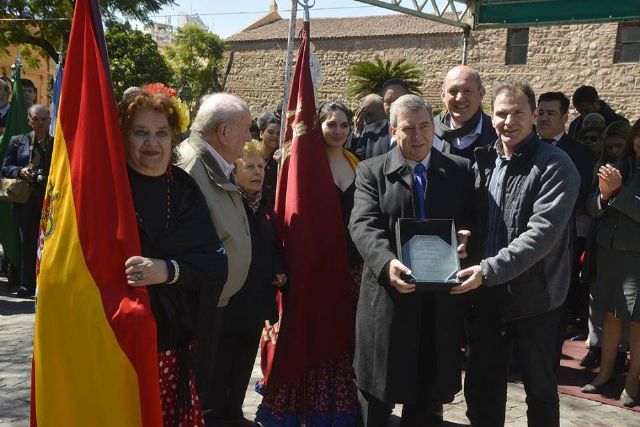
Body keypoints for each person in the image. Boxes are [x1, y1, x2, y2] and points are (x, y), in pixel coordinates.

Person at [456, 81, 580, 427]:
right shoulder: (484, 160)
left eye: (517, 113)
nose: (508, 121)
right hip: (488, 295)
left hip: (536, 299)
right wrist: (465, 234)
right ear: (490, 116)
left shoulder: (556, 166)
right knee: (482, 386)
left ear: (534, 115)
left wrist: (488, 269)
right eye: (501, 114)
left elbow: (540, 236)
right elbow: (476, 216)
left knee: (539, 392)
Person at [349, 94, 474, 427]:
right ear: (392, 131)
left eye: (424, 126)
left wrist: (465, 237)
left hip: (437, 305)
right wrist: (387, 262)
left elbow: (470, 219)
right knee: (376, 396)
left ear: (434, 127)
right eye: (408, 128)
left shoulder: (459, 170)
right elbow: (362, 224)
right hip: (389, 301)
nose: (418, 136)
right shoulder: (371, 171)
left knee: (426, 396)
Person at [117, 85, 228, 426]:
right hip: (114, 347)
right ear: (123, 136)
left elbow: (215, 263)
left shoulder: (183, 189)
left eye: (162, 133)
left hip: (171, 348)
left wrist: (167, 271)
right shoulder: (109, 186)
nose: (153, 143)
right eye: (141, 132)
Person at [256, 100, 361, 426]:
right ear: (319, 126)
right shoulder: (305, 164)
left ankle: (335, 408)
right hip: (315, 269)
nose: (339, 131)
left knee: (341, 339)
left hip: (351, 269)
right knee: (311, 333)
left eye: (344, 125)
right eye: (332, 125)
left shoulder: (357, 163)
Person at [177, 92, 253, 420]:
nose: (249, 138)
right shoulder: (191, 166)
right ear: (223, 133)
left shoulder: (212, 162)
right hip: (195, 307)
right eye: (245, 129)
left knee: (204, 391)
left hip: (212, 303)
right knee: (192, 393)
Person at [208, 139, 286, 427]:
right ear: (234, 170)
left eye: (261, 166)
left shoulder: (264, 203)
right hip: (230, 299)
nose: (257, 172)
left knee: (243, 360)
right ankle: (214, 415)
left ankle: (234, 412)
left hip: (256, 299)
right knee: (222, 360)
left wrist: (279, 269)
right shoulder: (230, 202)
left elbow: (274, 245)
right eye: (249, 166)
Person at [581, 118, 640, 408]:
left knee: (637, 324)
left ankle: (632, 381)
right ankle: (604, 374)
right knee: (610, 317)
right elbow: (592, 207)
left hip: (636, 258)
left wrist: (618, 192)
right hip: (608, 252)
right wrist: (604, 195)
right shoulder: (621, 166)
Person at [536, 91, 594, 349]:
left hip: (561, 239)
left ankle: (551, 352)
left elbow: (578, 193)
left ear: (564, 117)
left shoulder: (578, 152)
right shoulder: (525, 147)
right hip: (525, 236)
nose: (544, 118)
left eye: (551, 113)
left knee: (558, 297)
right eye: (541, 113)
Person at [1, 104, 53, 298]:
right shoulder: (18, 141)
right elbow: (6, 168)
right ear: (29, 120)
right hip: (25, 202)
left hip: (50, 202)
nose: (40, 123)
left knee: (50, 246)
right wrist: (20, 171)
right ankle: (26, 285)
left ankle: (48, 284)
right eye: (36, 119)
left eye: (44, 119)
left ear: (49, 120)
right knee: (28, 245)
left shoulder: (56, 144)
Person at [434, 65, 496, 161]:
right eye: (453, 91)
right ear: (443, 95)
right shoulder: (429, 133)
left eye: (467, 91)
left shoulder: (497, 135)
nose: (459, 98)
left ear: (481, 94)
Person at [346, 78, 411, 160]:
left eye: (398, 100)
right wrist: (357, 131)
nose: (393, 105)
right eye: (388, 101)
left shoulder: (420, 131)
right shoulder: (370, 132)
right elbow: (352, 162)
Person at [256, 112, 280, 207]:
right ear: (261, 134)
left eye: (278, 134)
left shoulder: (277, 160)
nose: (274, 136)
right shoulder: (250, 154)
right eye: (270, 132)